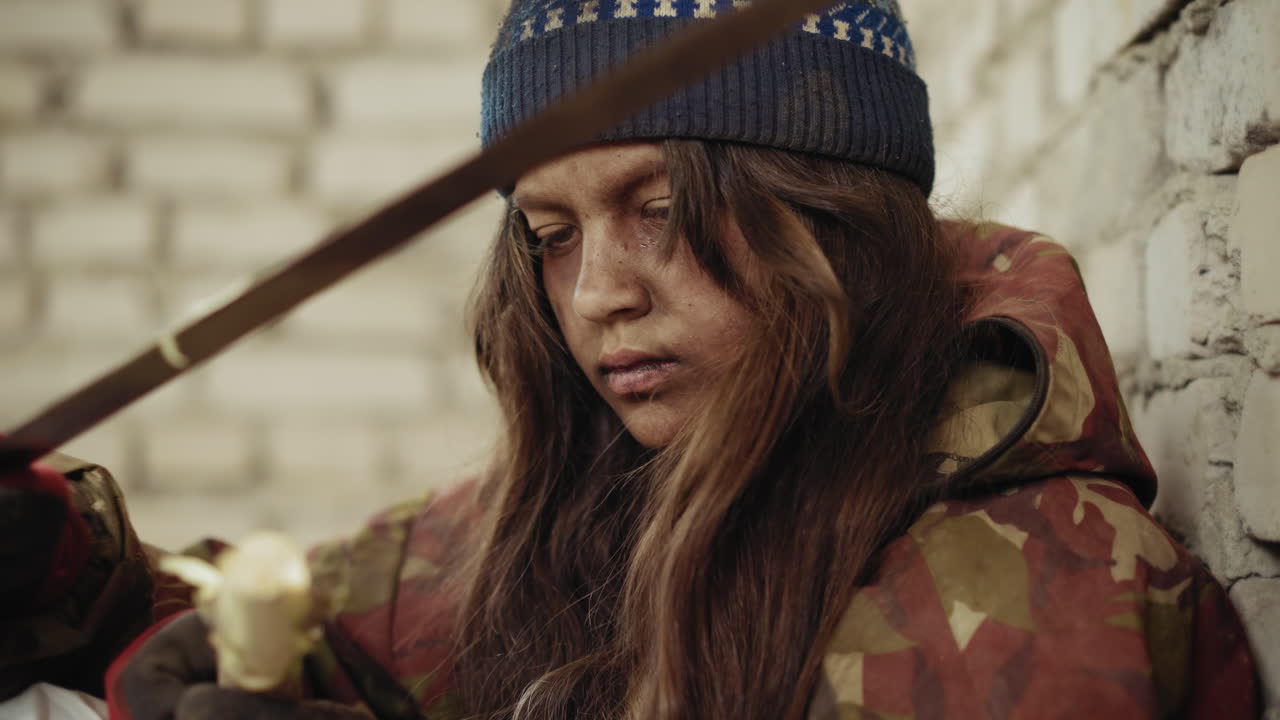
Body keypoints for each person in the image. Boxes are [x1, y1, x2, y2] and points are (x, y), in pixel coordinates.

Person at [0, 1, 1262, 718]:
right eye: (549, 235)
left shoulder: (1042, 595)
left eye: (659, 210)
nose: (597, 293)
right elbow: (300, 624)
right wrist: (69, 566)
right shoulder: (587, 500)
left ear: (825, 210)